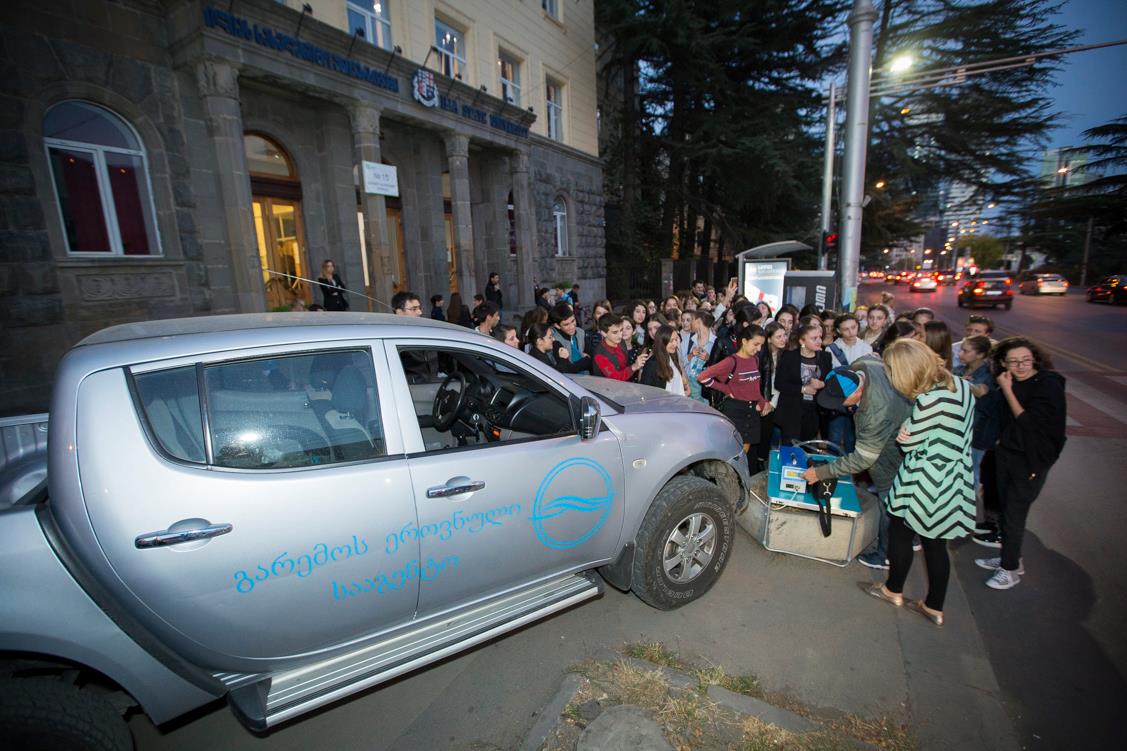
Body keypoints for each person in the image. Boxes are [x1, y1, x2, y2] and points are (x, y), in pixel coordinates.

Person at [864, 338, 975, 626]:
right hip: (954, 478)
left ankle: (893, 589)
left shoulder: (929, 402)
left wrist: (907, 430)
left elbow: (907, 442)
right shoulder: (961, 385)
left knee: (901, 533)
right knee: (936, 545)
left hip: (925, 480)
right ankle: (934, 607)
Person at [802, 352, 912, 571]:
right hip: (898, 420)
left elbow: (862, 459)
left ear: (858, 392)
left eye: (842, 402)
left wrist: (820, 473)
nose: (838, 406)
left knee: (889, 500)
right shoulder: (862, 364)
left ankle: (886, 555)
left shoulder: (876, 411)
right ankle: (910, 536)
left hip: (894, 453)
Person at [974, 337, 1067, 590]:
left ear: (1035, 359)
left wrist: (1007, 389)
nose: (1021, 366)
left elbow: (1029, 424)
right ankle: (1011, 559)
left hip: (1031, 460)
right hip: (1007, 454)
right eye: (1014, 361)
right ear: (1004, 363)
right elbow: (992, 409)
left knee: (1015, 514)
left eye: (1026, 360)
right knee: (1006, 511)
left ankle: (1010, 570)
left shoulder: (1048, 384)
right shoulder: (1008, 380)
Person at [698, 325, 770, 472]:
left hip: (752, 411)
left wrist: (762, 402)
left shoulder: (755, 360)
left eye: (761, 345)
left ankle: (734, 476)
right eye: (756, 344)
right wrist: (727, 389)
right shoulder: (731, 361)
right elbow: (703, 377)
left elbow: (754, 387)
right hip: (735, 410)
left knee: (743, 452)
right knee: (731, 450)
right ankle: (726, 476)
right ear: (744, 341)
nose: (759, 348)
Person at [955, 335, 999, 534]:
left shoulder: (988, 375)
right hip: (959, 428)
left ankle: (963, 515)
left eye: (966, 351)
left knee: (971, 474)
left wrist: (965, 387)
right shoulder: (961, 370)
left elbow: (986, 401)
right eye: (961, 349)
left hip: (978, 433)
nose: (960, 353)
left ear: (980, 354)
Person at [775, 322, 831, 445]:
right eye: (814, 338)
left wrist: (822, 384)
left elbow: (830, 381)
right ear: (802, 341)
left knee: (808, 446)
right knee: (790, 447)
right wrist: (803, 389)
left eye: (819, 337)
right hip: (792, 410)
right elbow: (779, 383)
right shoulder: (789, 356)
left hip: (814, 411)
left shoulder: (826, 357)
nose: (819, 341)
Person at [592, 315, 650, 380]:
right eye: (615, 332)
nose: (620, 335)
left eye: (621, 330)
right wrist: (634, 367)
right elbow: (615, 378)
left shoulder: (621, 342)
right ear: (604, 333)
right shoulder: (600, 354)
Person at [640, 325, 690, 397]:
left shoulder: (673, 356)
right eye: (671, 341)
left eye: (676, 339)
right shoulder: (651, 364)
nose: (675, 344)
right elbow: (644, 392)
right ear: (662, 342)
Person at [683, 312, 716, 403]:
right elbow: (679, 362)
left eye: (692, 320)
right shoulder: (688, 339)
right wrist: (691, 355)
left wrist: (709, 359)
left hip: (706, 391)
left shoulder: (716, 342)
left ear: (699, 320)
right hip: (688, 389)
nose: (690, 323)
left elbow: (720, 368)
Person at [549, 302, 591, 374]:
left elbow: (591, 357)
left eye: (573, 321)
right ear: (557, 326)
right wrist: (584, 362)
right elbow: (565, 369)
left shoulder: (581, 332)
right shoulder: (553, 339)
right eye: (566, 324)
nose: (572, 326)